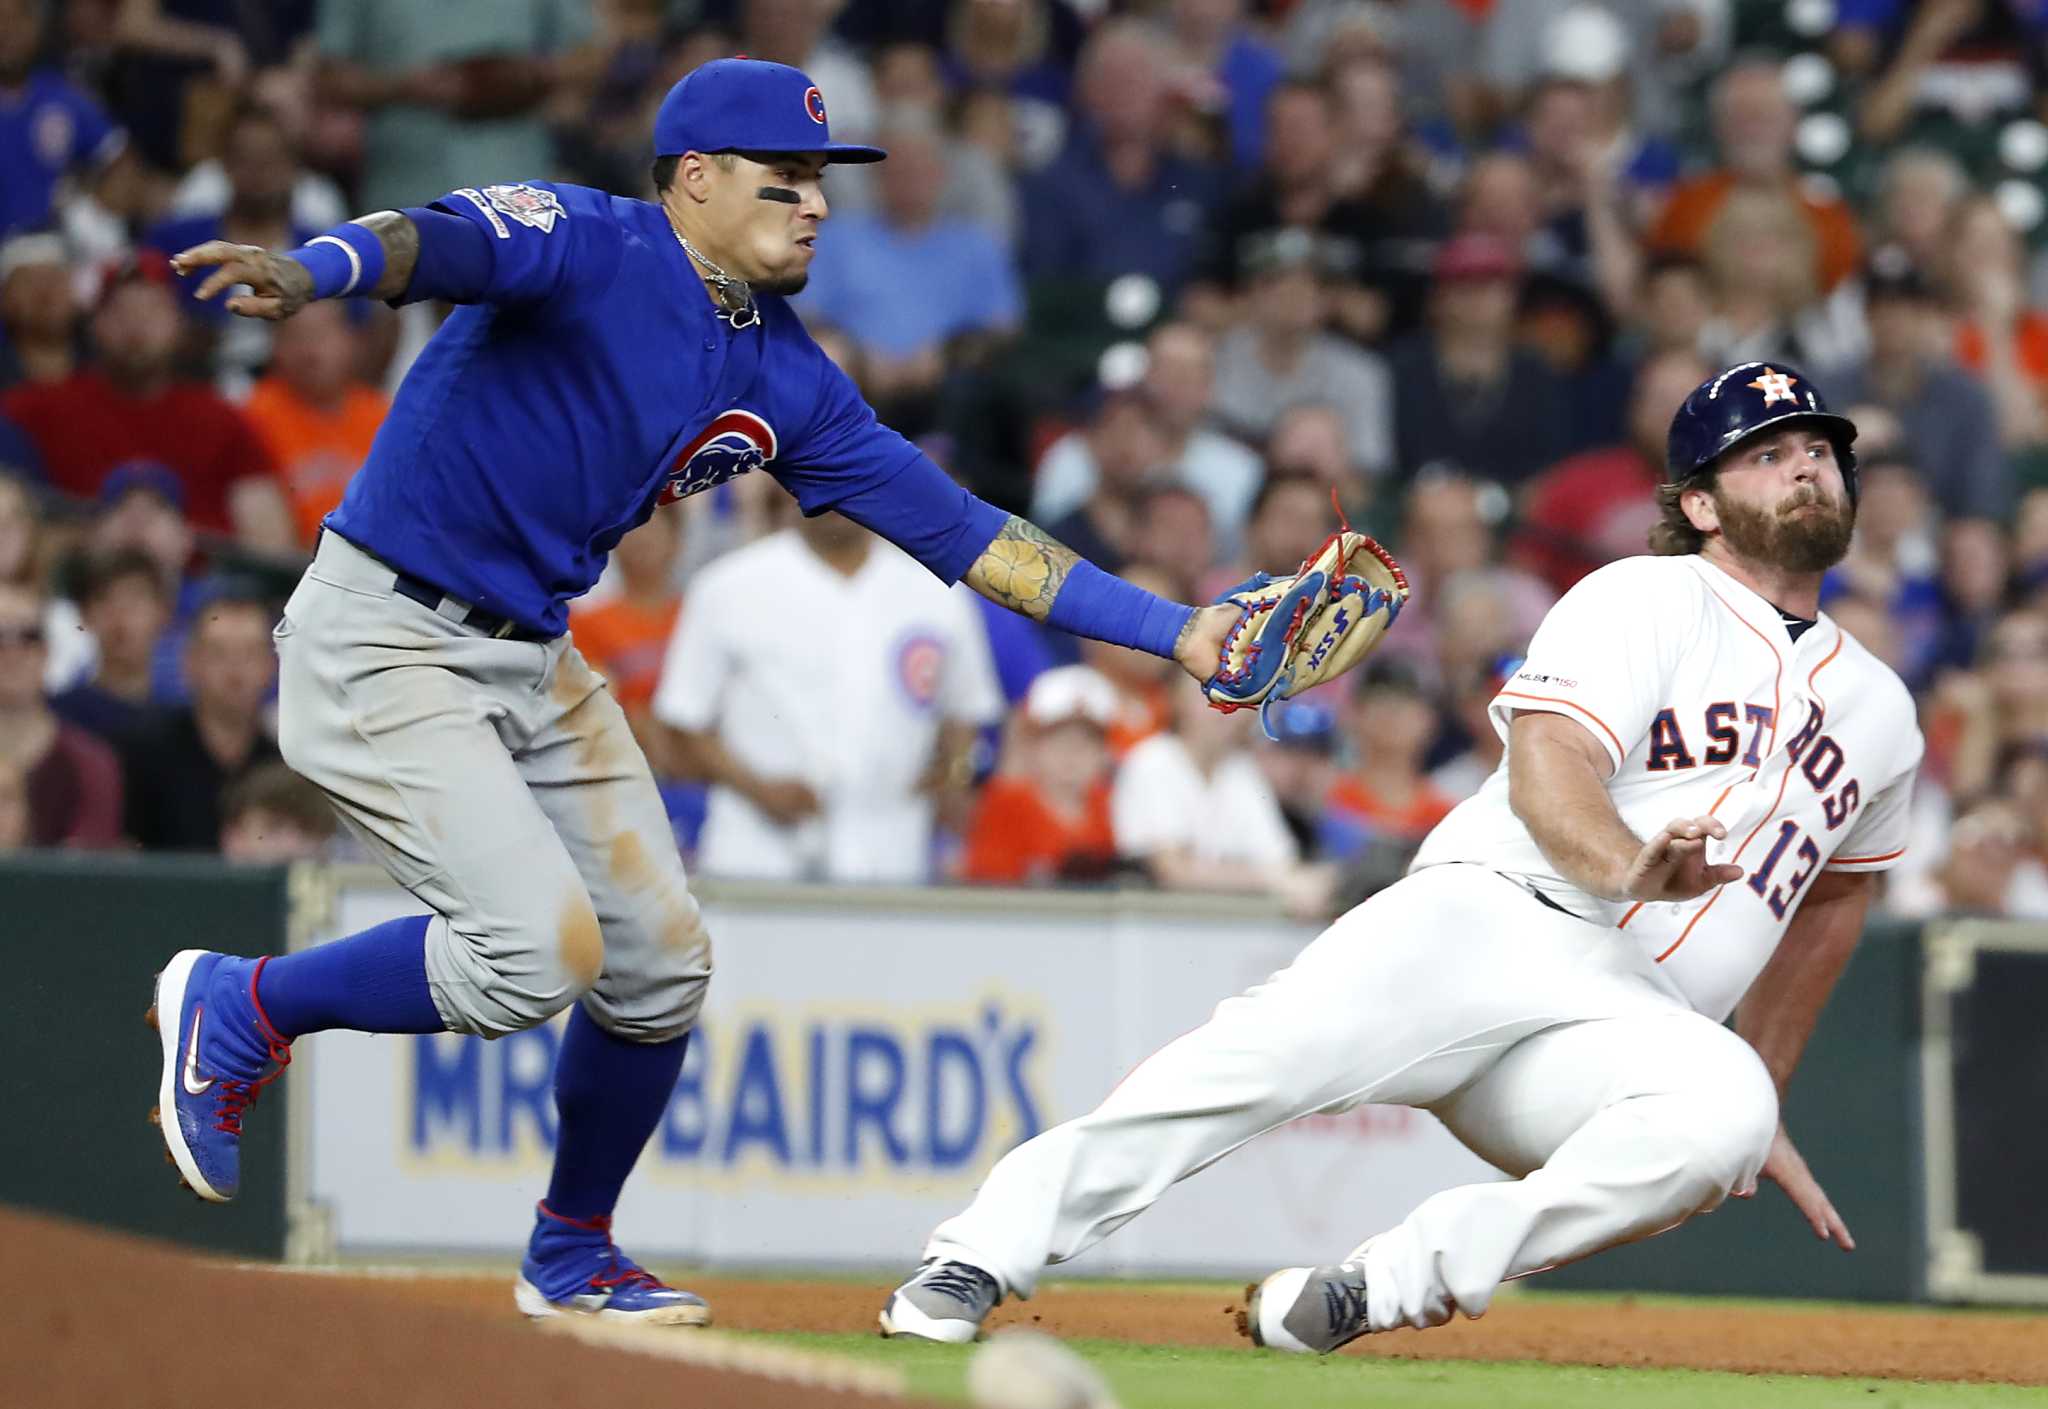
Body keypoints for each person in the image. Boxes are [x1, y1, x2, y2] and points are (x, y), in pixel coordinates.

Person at [149, 58, 1249, 1329]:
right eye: (785, 182)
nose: (816, 205)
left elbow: (969, 533)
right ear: (694, 179)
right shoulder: (590, 243)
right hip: (386, 627)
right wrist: (314, 270)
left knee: (659, 965)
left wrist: (1180, 631)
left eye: (822, 184)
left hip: (530, 649)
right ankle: (244, 1002)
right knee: (532, 958)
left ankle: (570, 1250)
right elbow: (430, 242)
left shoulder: (783, 372)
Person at [879, 362, 1925, 1355]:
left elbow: (1831, 899)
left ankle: (1371, 1287)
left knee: (1724, 1115)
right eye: (1766, 451)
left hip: (1627, 1021)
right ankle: (974, 1256)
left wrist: (1765, 1083)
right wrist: (1621, 864)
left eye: (1817, 448)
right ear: (1697, 502)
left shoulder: (1882, 709)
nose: (1803, 464)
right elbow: (1548, 757)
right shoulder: (1644, 596)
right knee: (1251, 1061)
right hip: (1499, 917)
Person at [652, 509, 1002, 884]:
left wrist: (953, 770)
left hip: (891, 848)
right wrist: (758, 789)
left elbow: (967, 710)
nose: (837, 499)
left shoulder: (935, 592)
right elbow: (681, 724)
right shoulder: (728, 585)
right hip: (757, 850)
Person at [121, 585, 281, 851]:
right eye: (219, 653)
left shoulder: (282, 765)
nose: (236, 672)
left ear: (271, 666)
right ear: (190, 662)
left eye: (250, 654)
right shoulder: (142, 755)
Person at [960, 664, 1120, 885]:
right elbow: (987, 885)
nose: (1071, 754)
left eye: (1086, 743)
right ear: (1031, 746)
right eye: (1058, 741)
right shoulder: (1007, 803)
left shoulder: (1109, 805)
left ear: (1104, 754)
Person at [0, 581, 123, 848]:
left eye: (27, 637)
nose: (11, 653)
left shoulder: (91, 763)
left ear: (46, 652)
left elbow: (85, 877)